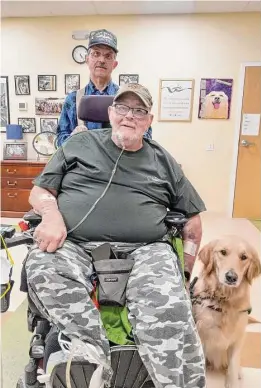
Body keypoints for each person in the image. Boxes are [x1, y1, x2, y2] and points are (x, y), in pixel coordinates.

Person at [26, 83, 206, 388]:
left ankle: (171, 380)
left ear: (149, 120)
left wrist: (185, 270)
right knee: (42, 267)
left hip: (146, 248)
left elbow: (193, 222)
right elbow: (41, 190)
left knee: (169, 307)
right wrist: (51, 214)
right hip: (75, 243)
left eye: (139, 111)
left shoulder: (163, 160)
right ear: (110, 113)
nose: (129, 116)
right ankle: (91, 357)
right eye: (122, 108)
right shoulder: (78, 144)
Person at [57, 28, 152, 146]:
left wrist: (130, 136)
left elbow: (147, 139)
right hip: (83, 163)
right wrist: (72, 138)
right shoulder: (73, 100)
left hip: (119, 163)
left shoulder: (130, 99)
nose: (101, 60)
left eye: (108, 56)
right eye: (96, 54)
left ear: (114, 64)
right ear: (87, 59)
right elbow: (59, 141)